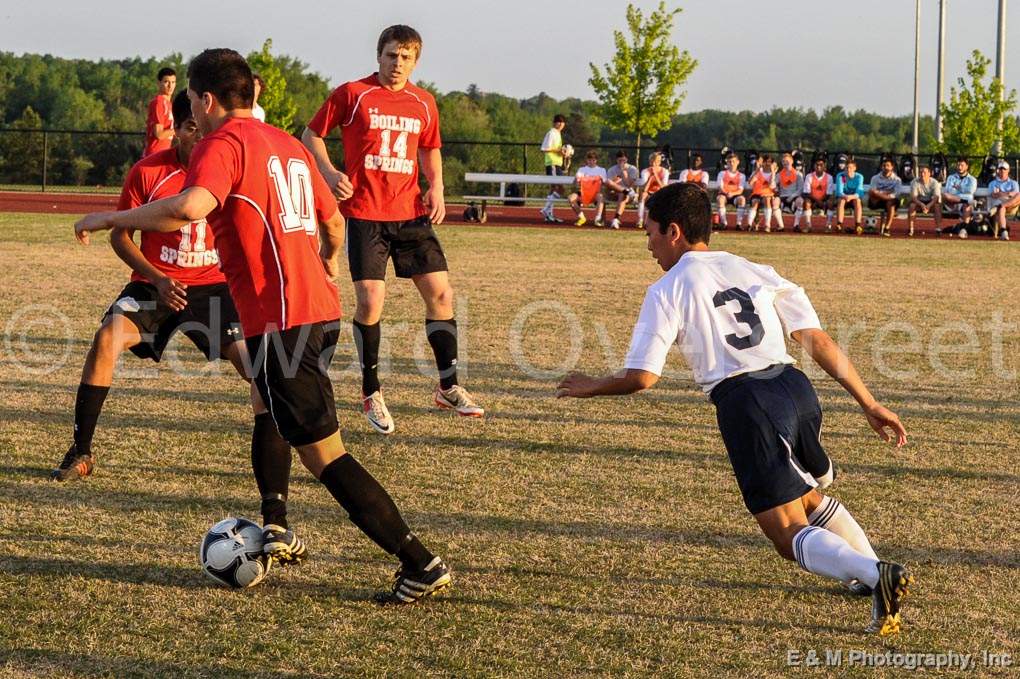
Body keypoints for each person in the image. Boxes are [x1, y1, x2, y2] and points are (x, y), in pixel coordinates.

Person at [74, 47, 451, 605]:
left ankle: (419, 562)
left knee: (327, 455)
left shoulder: (224, 143)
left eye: (195, 106)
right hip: (316, 311)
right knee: (269, 408)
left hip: (284, 318)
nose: (193, 119)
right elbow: (331, 220)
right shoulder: (289, 143)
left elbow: (190, 207)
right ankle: (277, 523)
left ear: (205, 100)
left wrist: (109, 216)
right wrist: (322, 258)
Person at [556, 182, 914, 636]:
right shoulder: (755, 267)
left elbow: (642, 377)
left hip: (747, 402)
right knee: (806, 498)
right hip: (795, 387)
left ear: (674, 231)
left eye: (648, 233)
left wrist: (591, 386)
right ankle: (870, 572)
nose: (647, 245)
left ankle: (875, 575)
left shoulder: (667, 289)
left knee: (786, 533)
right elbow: (816, 340)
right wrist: (870, 402)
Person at [53, 91, 306, 561]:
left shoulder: (227, 161)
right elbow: (121, 235)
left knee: (259, 374)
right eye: (186, 127)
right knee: (107, 338)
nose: (195, 133)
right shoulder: (150, 169)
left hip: (214, 289)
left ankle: (275, 510)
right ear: (178, 130)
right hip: (156, 284)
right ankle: (81, 451)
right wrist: (156, 276)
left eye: (199, 125)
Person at [301, 24, 483, 436]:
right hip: (365, 213)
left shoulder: (424, 102)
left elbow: (430, 148)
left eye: (405, 57)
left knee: (441, 293)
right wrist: (329, 172)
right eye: (390, 55)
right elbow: (311, 134)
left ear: (415, 61)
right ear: (378, 55)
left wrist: (435, 185)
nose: (396, 63)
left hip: (410, 214)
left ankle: (449, 386)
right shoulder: (353, 93)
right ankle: (371, 391)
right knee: (370, 301)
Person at [540, 114, 568, 223]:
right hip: (552, 164)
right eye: (558, 122)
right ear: (554, 123)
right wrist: (559, 151)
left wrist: (564, 153)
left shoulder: (558, 134)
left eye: (562, 122)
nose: (560, 124)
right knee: (559, 188)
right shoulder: (552, 133)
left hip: (557, 164)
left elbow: (557, 150)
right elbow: (544, 148)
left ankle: (548, 213)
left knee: (555, 188)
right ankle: (546, 210)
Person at [568, 150, 607, 227]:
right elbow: (576, 182)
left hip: (595, 194)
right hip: (583, 193)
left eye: (593, 160)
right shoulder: (581, 170)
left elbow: (605, 182)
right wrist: (577, 180)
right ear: (587, 160)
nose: (591, 162)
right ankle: (582, 217)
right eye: (589, 160)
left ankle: (598, 219)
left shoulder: (602, 170)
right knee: (571, 198)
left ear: (596, 160)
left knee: (601, 197)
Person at [144, 67, 176, 157]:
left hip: (163, 155)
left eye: (173, 82)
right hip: (154, 155)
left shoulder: (169, 104)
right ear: (159, 83)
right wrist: (178, 130)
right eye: (166, 82)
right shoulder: (159, 102)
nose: (170, 86)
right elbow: (159, 134)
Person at [941, 158, 977, 237]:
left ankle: (963, 230)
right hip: (952, 203)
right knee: (944, 195)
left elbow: (970, 191)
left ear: (967, 166)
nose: (959, 167)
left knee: (966, 205)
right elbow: (949, 191)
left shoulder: (972, 179)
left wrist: (958, 188)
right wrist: (963, 191)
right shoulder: (951, 177)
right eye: (958, 165)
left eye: (962, 165)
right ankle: (965, 201)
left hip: (963, 203)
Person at [604, 150, 639, 229]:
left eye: (623, 160)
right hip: (614, 192)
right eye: (619, 160)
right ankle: (623, 191)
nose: (621, 162)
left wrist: (624, 174)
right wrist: (616, 180)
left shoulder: (633, 169)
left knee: (623, 194)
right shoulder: (611, 170)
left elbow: (629, 185)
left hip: (629, 193)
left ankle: (616, 219)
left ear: (626, 159)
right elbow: (609, 185)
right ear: (616, 160)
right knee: (609, 182)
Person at [867, 159, 902, 237]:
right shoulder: (875, 178)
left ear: (892, 167)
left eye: (888, 166)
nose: (885, 167)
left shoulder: (897, 180)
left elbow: (896, 194)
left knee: (891, 204)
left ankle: (887, 228)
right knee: (871, 192)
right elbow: (873, 191)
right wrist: (886, 193)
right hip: (877, 201)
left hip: (890, 201)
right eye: (884, 166)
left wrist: (880, 193)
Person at [987, 160, 1020, 240]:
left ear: (1008, 170)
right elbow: (993, 195)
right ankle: (1004, 232)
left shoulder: (1013, 183)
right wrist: (1008, 193)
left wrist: (1003, 194)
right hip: (1000, 203)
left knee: (1019, 195)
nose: (1002, 171)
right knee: (1001, 208)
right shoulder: (992, 183)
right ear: (998, 170)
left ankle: (1002, 205)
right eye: (1000, 169)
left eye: (1004, 169)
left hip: (1012, 205)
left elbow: (1016, 194)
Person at [745, 155, 779, 232]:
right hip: (757, 194)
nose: (767, 164)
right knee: (755, 202)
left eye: (770, 162)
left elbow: (771, 185)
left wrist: (773, 172)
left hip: (768, 195)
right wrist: (757, 171)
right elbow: (750, 183)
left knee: (767, 200)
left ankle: (767, 225)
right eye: (766, 162)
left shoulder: (774, 174)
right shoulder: (758, 172)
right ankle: (749, 224)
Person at [906, 165, 942, 237]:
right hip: (919, 202)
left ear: (929, 173)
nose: (922, 174)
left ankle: (938, 229)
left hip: (931, 202)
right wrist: (922, 205)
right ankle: (911, 229)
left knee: (937, 206)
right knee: (912, 206)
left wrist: (929, 205)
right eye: (921, 172)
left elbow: (936, 197)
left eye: (924, 172)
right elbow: (914, 197)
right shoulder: (914, 182)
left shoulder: (935, 182)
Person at [637, 151, 669, 228]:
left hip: (659, 192)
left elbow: (663, 187)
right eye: (653, 160)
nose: (655, 163)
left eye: (657, 161)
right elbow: (644, 188)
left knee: (660, 199)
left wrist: (656, 176)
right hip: (649, 192)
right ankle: (640, 220)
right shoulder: (645, 171)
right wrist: (651, 178)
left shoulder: (664, 171)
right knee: (643, 196)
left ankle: (659, 221)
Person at [714, 153, 746, 230]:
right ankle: (724, 223)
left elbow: (740, 190)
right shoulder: (722, 173)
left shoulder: (742, 176)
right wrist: (726, 193)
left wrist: (732, 193)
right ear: (727, 162)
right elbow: (720, 187)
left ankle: (738, 224)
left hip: (735, 195)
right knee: (720, 199)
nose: (732, 163)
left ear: (738, 162)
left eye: (733, 161)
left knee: (742, 199)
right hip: (724, 194)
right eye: (730, 161)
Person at [802, 158, 834, 233]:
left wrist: (821, 201)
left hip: (824, 200)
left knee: (831, 203)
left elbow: (829, 193)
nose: (819, 166)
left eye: (821, 165)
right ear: (814, 166)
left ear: (824, 167)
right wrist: (817, 201)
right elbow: (807, 193)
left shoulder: (829, 177)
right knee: (806, 203)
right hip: (813, 200)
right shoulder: (809, 176)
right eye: (817, 165)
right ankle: (808, 225)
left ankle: (828, 226)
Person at [835, 159, 865, 234]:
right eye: (847, 168)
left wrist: (851, 197)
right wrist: (845, 196)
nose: (848, 170)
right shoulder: (840, 176)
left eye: (850, 168)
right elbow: (839, 192)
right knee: (841, 200)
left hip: (853, 198)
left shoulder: (859, 177)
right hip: (844, 198)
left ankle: (858, 225)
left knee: (857, 200)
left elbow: (859, 192)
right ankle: (839, 225)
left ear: (855, 168)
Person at [776, 153, 805, 231]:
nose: (785, 163)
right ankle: (781, 226)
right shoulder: (779, 175)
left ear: (792, 161)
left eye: (787, 161)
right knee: (775, 201)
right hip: (783, 197)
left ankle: (796, 225)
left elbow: (800, 189)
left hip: (793, 197)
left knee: (800, 201)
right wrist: (773, 172)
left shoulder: (798, 174)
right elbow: (773, 186)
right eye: (783, 161)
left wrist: (791, 197)